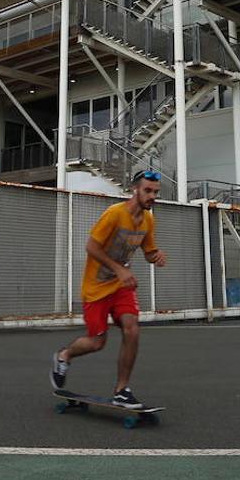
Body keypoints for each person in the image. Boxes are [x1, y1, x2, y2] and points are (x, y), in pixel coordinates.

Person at [50, 169, 168, 409]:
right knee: (96, 342)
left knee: (132, 330)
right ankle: (64, 356)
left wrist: (156, 256)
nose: (152, 196)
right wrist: (119, 269)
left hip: (121, 287)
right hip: (97, 287)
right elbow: (91, 247)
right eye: (147, 191)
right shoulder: (114, 214)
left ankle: (122, 390)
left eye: (155, 192)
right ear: (135, 190)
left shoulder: (148, 220)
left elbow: (148, 252)